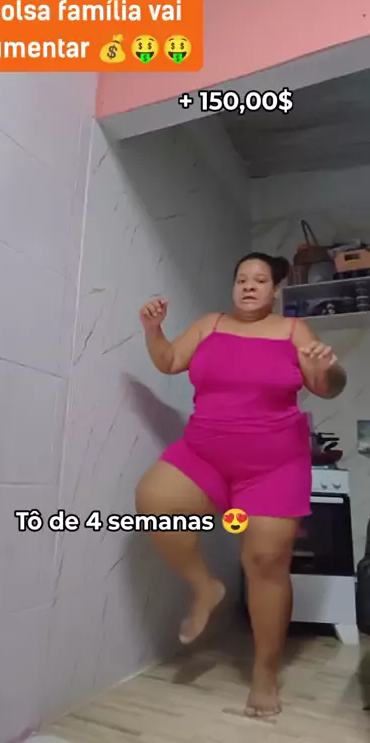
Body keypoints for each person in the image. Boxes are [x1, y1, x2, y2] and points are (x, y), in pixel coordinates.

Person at [136, 252, 347, 718]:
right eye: (242, 279)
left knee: (266, 563)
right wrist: (154, 330)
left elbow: (329, 386)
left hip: (275, 465)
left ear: (275, 291)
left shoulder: (294, 331)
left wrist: (327, 366)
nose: (249, 286)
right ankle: (205, 587)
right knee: (154, 500)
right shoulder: (209, 325)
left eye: (260, 280)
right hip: (204, 454)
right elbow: (169, 361)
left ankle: (265, 673)